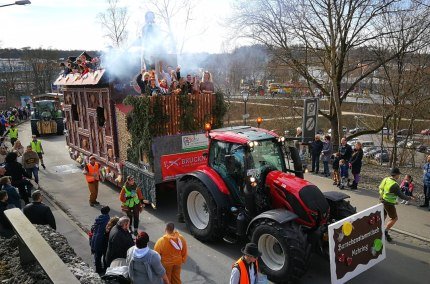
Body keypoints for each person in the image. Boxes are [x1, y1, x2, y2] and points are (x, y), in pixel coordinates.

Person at [379, 168, 415, 242]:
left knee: (383, 216)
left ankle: (378, 230)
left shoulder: (386, 179)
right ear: (396, 175)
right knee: (394, 218)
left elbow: (380, 188)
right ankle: (385, 232)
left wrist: (382, 197)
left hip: (382, 200)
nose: (399, 176)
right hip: (388, 203)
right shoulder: (395, 185)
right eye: (398, 174)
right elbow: (402, 196)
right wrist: (410, 198)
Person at [90, 206, 111, 274]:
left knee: (97, 256)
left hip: (94, 240)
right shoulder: (108, 220)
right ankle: (105, 269)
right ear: (108, 212)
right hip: (102, 240)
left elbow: (93, 229)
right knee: (105, 255)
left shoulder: (98, 219)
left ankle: (98, 269)